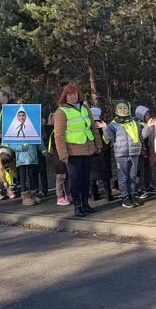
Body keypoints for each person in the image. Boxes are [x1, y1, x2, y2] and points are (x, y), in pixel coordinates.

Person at [52, 83, 103, 218]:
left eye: (75, 94)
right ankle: (77, 206)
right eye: (70, 94)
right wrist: (63, 154)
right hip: (72, 152)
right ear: (65, 96)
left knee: (86, 179)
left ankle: (86, 203)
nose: (73, 97)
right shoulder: (61, 112)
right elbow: (59, 135)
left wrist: (98, 145)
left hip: (87, 149)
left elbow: (93, 127)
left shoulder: (85, 108)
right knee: (75, 180)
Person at [103, 100, 150, 209]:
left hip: (133, 153)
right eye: (120, 108)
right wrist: (105, 128)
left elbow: (141, 136)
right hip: (121, 154)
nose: (122, 110)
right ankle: (125, 197)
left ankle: (132, 195)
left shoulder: (134, 123)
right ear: (116, 110)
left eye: (124, 108)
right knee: (123, 177)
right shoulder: (113, 125)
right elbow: (109, 138)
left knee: (132, 176)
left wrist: (148, 127)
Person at [89, 107, 114, 203]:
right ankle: (108, 195)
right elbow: (108, 139)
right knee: (105, 177)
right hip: (103, 154)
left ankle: (94, 195)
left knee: (92, 177)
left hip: (92, 153)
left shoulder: (88, 125)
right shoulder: (103, 125)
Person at [12, 137, 46, 206]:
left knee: (32, 176)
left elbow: (38, 139)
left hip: (32, 157)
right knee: (23, 178)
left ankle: (33, 194)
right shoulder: (16, 132)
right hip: (21, 159)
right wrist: (21, 147)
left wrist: (43, 150)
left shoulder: (32, 130)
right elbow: (11, 144)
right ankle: (25, 196)